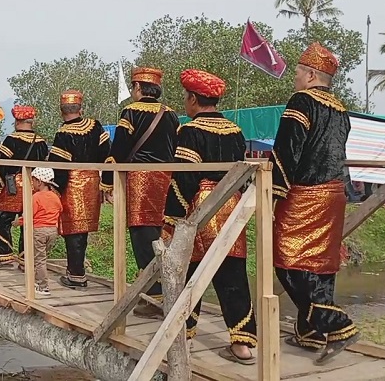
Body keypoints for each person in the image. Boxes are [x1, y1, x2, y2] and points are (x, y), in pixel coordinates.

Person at [271, 42, 360, 363]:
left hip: (305, 194)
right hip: (334, 193)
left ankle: (339, 324)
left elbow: (287, 150)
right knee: (320, 264)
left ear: (310, 74)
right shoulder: (340, 108)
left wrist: (274, 190)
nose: (294, 78)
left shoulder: (302, 101)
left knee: (287, 262)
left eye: (297, 72)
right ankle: (309, 332)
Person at [162, 69, 257, 365]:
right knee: (233, 271)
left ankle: (185, 338)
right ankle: (242, 342)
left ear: (192, 99)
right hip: (232, 204)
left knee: (191, 272)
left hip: (202, 204)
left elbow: (185, 178)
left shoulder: (190, 131)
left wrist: (171, 217)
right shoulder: (235, 130)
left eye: (186, 98)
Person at [101, 67, 179, 317]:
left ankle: (154, 296)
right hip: (166, 179)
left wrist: (107, 180)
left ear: (137, 88)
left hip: (141, 180)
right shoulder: (170, 114)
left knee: (142, 233)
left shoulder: (131, 112)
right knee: (161, 232)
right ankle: (167, 288)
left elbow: (119, 148)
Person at [46, 90, 111, 289]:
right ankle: (77, 270)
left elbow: (60, 168)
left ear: (61, 111)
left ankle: (76, 274)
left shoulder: (63, 133)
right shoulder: (95, 126)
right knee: (83, 228)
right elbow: (106, 154)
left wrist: (55, 189)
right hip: (92, 182)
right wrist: (105, 182)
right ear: (80, 108)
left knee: (72, 229)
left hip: (72, 185)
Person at [0, 105, 49, 270]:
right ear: (32, 120)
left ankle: (6, 257)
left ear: (16, 121)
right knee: (28, 222)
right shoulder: (41, 141)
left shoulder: (11, 140)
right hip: (35, 185)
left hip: (14, 185)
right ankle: (26, 260)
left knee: (3, 220)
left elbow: (1, 165)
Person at [18, 167, 62, 296]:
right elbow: (60, 209)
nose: (33, 183)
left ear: (40, 182)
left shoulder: (36, 197)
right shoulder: (55, 196)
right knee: (42, 257)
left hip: (39, 231)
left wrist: (17, 222)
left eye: (34, 180)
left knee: (39, 259)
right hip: (52, 231)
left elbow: (28, 215)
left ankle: (43, 286)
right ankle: (38, 281)